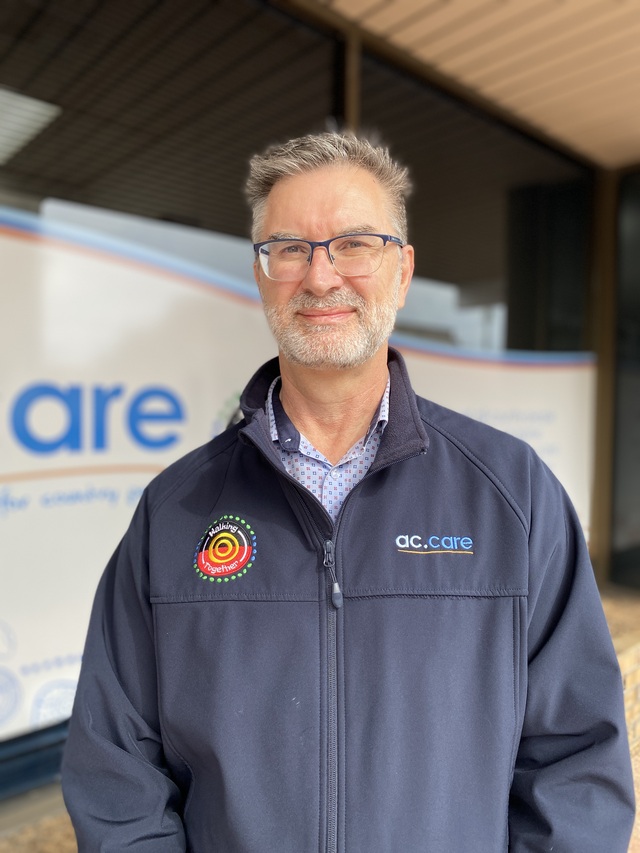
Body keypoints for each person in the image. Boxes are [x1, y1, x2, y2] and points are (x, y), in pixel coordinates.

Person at [62, 131, 635, 852]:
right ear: (261, 274)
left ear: (403, 269)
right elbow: (117, 775)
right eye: (289, 248)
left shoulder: (511, 494)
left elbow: (577, 764)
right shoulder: (176, 510)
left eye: (354, 244)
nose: (321, 276)